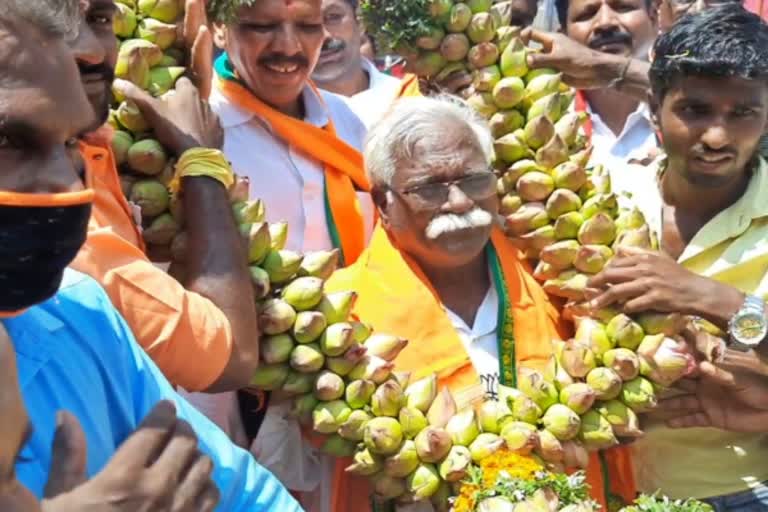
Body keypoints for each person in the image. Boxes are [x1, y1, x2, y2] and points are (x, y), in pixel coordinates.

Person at [0, 1, 302, 510]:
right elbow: (226, 355)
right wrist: (199, 162)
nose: (63, 183)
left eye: (71, 141)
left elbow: (248, 497)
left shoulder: (79, 318)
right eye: (8, 140)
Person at [322, 95, 636, 512]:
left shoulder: (556, 277)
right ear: (383, 204)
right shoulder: (342, 314)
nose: (458, 202)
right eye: (429, 188)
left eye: (473, 179)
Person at [586, 6, 768, 508]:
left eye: (743, 113)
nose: (716, 137)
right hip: (605, 491)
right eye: (694, 110)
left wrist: (714, 299)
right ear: (656, 105)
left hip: (745, 492)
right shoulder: (603, 201)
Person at [71, 0, 260, 395]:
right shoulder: (67, 229)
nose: (90, 48)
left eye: (100, 19)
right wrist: (200, 159)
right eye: (55, 21)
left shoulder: (92, 152)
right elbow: (230, 356)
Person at [522, 0, 658, 174]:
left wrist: (603, 68)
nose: (605, 23)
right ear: (562, 35)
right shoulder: (541, 124)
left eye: (623, 7)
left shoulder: (688, 110)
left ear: (654, 17)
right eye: (587, 15)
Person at [311, 0, 402, 128]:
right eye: (306, 24)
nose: (323, 36)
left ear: (360, 22)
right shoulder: (284, 118)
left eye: (333, 17)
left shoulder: (408, 97)